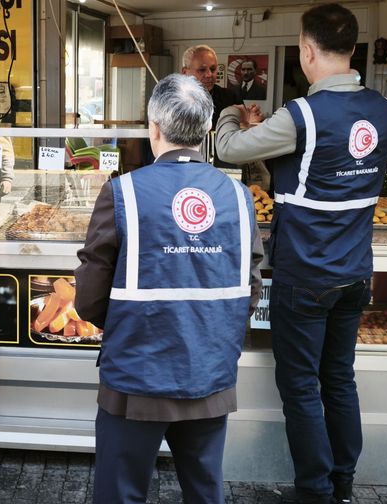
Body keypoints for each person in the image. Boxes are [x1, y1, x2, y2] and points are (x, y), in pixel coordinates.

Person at [215, 4, 387, 504]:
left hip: (305, 275)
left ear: (307, 50)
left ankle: (314, 492)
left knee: (302, 386)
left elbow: (230, 149)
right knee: (339, 380)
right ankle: (341, 485)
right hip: (356, 274)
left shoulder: (301, 115)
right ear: (352, 50)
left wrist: (234, 113)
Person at [75, 73, 264, 503]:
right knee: (205, 492)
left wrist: (124, 323)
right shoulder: (239, 196)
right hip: (211, 374)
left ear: (153, 127)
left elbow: (89, 296)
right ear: (208, 128)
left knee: (120, 494)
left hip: (136, 378)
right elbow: (251, 287)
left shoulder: (122, 192)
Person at [181, 44, 244, 169]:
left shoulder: (230, 97)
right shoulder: (173, 101)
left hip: (223, 166)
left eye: (213, 69)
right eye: (202, 70)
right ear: (185, 72)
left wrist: (249, 121)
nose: (209, 74)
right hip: (185, 165)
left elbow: (240, 134)